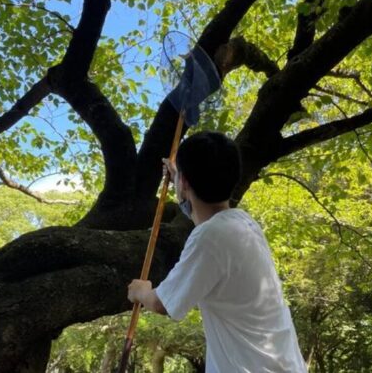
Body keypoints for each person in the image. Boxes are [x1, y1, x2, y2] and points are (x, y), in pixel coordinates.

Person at [127, 131, 307, 372]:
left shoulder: (209, 238)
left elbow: (162, 304)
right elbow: (205, 220)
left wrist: (141, 292)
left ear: (186, 183)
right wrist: (180, 178)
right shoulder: (244, 223)